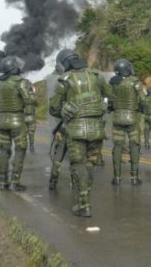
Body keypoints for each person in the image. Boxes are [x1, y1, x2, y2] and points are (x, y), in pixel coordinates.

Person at [49, 49, 111, 217]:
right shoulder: (97, 76)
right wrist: (101, 105)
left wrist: (65, 109)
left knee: (78, 165)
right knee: (90, 164)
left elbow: (53, 109)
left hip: (75, 129)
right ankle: (85, 198)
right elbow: (110, 98)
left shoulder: (64, 81)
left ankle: (84, 204)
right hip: (97, 128)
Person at [0, 56, 36, 191]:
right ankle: (15, 181)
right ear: (14, 68)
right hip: (17, 120)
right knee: (20, 150)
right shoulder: (21, 82)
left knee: (4, 150)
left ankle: (2, 181)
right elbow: (29, 100)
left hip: (2, 121)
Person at [109, 59, 147, 186]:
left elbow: (109, 99)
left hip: (117, 118)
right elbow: (143, 100)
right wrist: (143, 109)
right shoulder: (135, 82)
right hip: (132, 118)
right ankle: (134, 178)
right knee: (134, 146)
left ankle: (117, 178)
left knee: (117, 146)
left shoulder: (113, 82)